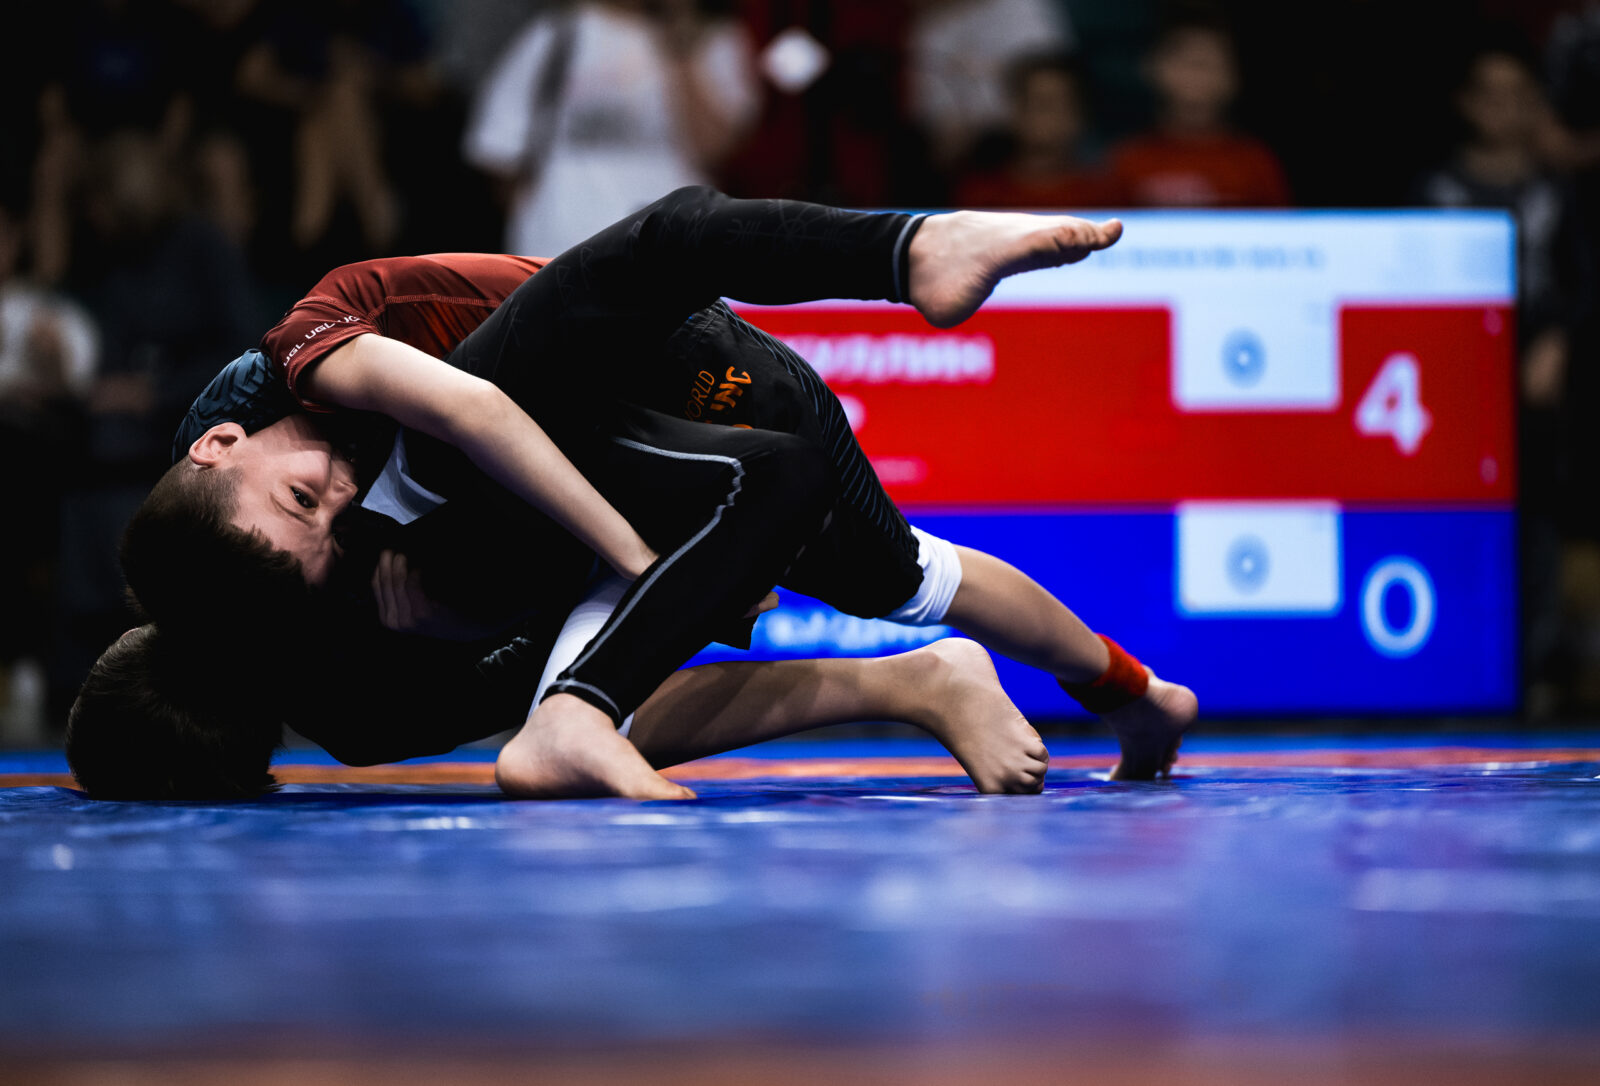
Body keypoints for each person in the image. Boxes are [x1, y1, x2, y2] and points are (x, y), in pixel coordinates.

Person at [108, 186, 1196, 800]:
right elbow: (561, 664)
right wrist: (540, 614)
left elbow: (479, 412)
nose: (335, 505)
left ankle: (910, 250)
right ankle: (1132, 691)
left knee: (879, 559)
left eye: (307, 502)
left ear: (219, 447)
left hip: (670, 368)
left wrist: (653, 569)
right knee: (910, 576)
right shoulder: (335, 654)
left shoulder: (292, 373)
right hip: (622, 461)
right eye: (317, 534)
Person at [1105, 9, 1290, 208]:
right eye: (1186, 60)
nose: (1197, 72)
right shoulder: (1128, 159)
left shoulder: (1254, 161)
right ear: (1153, 66)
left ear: (1234, 76)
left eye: (1211, 63)